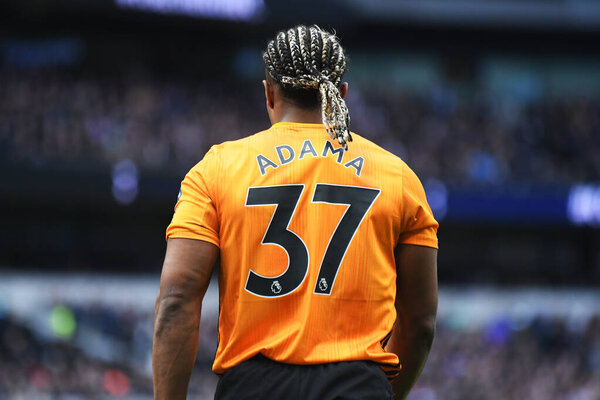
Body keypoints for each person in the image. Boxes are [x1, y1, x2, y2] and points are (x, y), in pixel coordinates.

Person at [153, 25, 439, 400]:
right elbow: (420, 323)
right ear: (342, 95)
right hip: (358, 386)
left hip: (252, 388)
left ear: (269, 93)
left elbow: (177, 298)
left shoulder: (216, 169)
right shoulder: (398, 177)